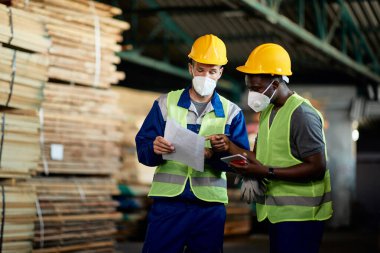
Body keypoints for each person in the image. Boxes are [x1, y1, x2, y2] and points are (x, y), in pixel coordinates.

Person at [208, 43, 333, 253]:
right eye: (250, 88)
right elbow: (259, 157)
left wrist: (265, 172)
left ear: (275, 84)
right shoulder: (267, 112)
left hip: (301, 216)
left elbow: (317, 167)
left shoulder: (302, 114)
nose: (252, 93)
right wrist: (228, 146)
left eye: (256, 88)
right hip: (277, 213)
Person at [135, 34, 249, 253]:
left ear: (220, 73)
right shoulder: (164, 104)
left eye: (212, 71)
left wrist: (215, 155)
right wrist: (154, 148)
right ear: (190, 68)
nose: (206, 76)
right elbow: (143, 149)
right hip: (169, 205)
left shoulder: (232, 113)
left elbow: (240, 161)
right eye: (200, 69)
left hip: (210, 209)